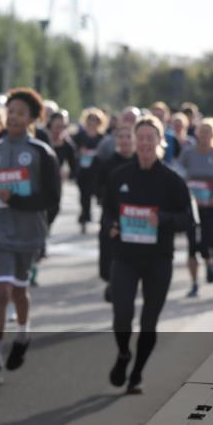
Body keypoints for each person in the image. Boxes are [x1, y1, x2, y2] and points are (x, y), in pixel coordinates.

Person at [0, 88, 61, 386]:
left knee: (20, 292)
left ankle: (23, 334)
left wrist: (19, 201)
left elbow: (51, 198)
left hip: (29, 232)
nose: (14, 117)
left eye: (21, 113)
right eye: (10, 111)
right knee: (1, 291)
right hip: (0, 232)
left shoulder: (41, 153)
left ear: (32, 119)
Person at [102, 115, 192, 394]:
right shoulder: (120, 176)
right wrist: (112, 226)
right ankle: (123, 353)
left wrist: (162, 219)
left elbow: (187, 219)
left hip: (158, 259)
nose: (144, 143)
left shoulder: (172, 180)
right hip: (125, 256)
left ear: (160, 143)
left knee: (149, 322)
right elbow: (106, 212)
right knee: (122, 315)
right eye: (139, 137)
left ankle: (137, 373)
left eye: (149, 138)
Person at [176, 118, 213, 296]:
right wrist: (183, 188)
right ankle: (194, 283)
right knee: (192, 245)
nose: (204, 134)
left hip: (211, 206)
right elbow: (176, 171)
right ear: (197, 133)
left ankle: (209, 262)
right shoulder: (188, 153)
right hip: (191, 206)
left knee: (206, 241)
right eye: (202, 131)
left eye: (208, 131)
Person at [91, 124, 135, 302]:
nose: (124, 141)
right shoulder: (108, 163)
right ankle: (112, 280)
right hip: (111, 217)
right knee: (106, 261)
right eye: (121, 137)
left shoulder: (139, 163)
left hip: (134, 220)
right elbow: (97, 186)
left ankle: (123, 285)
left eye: (128, 137)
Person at [73, 108, 107, 233]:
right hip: (83, 171)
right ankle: (84, 218)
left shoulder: (102, 138)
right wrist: (80, 153)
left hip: (98, 172)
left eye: (96, 120)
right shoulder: (79, 136)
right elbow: (72, 151)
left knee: (100, 196)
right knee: (84, 197)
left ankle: (104, 219)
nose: (93, 123)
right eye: (90, 120)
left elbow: (105, 154)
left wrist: (96, 154)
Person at [48, 111, 77, 181]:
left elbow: (75, 167)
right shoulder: (41, 140)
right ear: (51, 124)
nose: (60, 130)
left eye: (63, 126)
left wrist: (68, 174)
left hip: (56, 182)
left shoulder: (68, 146)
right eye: (57, 126)